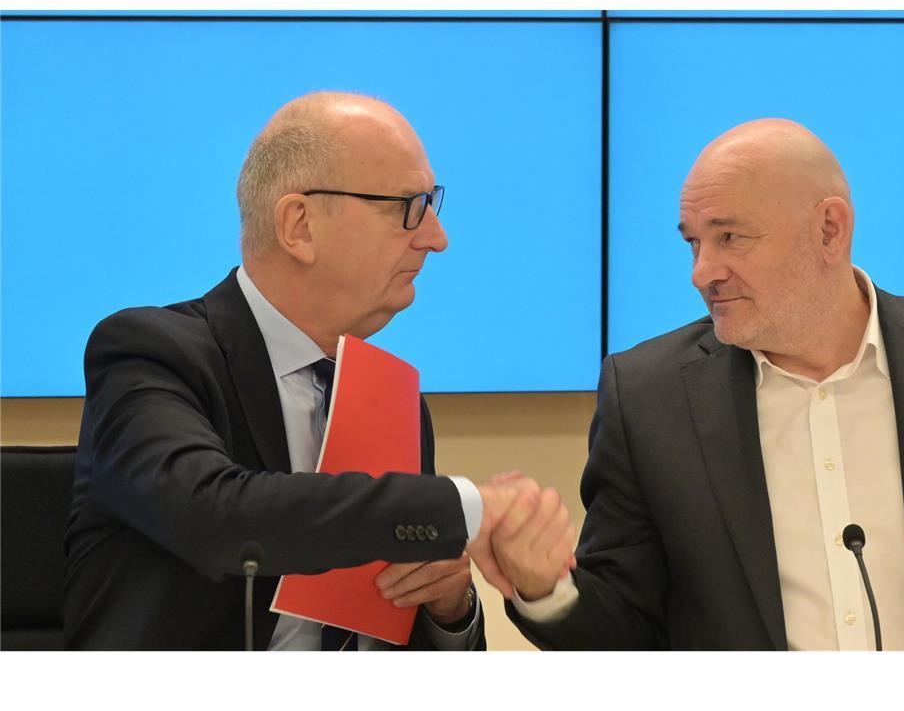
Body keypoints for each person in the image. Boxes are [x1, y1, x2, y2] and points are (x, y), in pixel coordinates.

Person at [500, 118, 904, 650]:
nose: (702, 272)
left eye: (729, 238)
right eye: (693, 243)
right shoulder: (646, 395)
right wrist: (543, 588)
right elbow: (624, 627)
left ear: (829, 229)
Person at [63, 91, 574, 650]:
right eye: (408, 205)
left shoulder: (393, 401)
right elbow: (216, 518)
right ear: (299, 226)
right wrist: (467, 507)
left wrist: (449, 606)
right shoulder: (151, 352)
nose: (436, 237)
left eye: (433, 205)